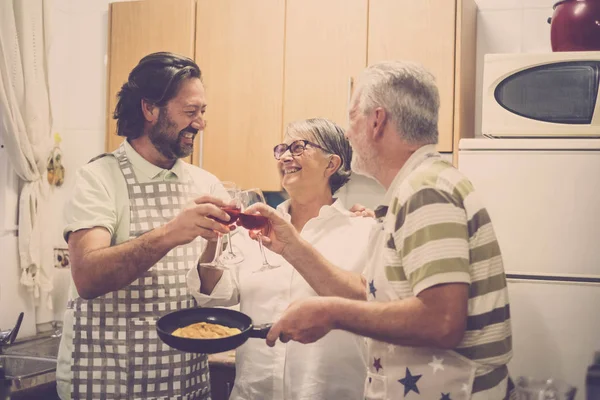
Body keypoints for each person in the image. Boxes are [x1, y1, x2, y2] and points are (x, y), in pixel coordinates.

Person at [247, 61, 515, 399]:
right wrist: (291, 246)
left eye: (351, 119)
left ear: (377, 121)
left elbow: (441, 320)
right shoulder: (414, 188)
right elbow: (373, 294)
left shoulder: (426, 191)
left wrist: (331, 313)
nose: (346, 134)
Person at [56, 52, 233, 399]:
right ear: (150, 110)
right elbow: (88, 278)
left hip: (185, 384)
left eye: (203, 112)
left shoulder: (207, 184)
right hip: (108, 383)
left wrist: (215, 245)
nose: (200, 123)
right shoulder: (99, 178)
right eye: (190, 112)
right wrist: (170, 234)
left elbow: (213, 291)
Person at [187, 118, 375, 400]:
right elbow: (214, 295)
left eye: (299, 147)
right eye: (282, 148)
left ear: (331, 164)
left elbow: (367, 302)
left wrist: (292, 247)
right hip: (253, 392)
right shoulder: (254, 228)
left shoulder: (364, 231)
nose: (285, 156)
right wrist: (213, 242)